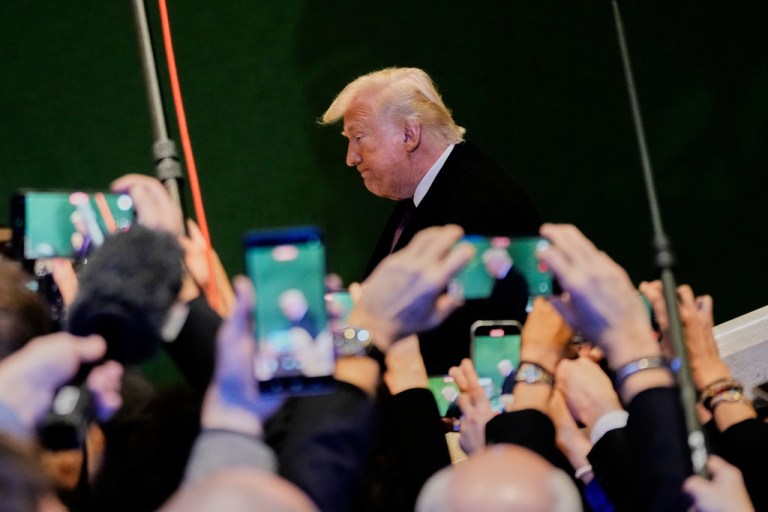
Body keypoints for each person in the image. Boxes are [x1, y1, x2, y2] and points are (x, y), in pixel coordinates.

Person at [321, 67, 542, 374]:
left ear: (409, 135)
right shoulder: (427, 193)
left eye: (359, 138)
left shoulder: (486, 203)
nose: (351, 157)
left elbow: (482, 344)